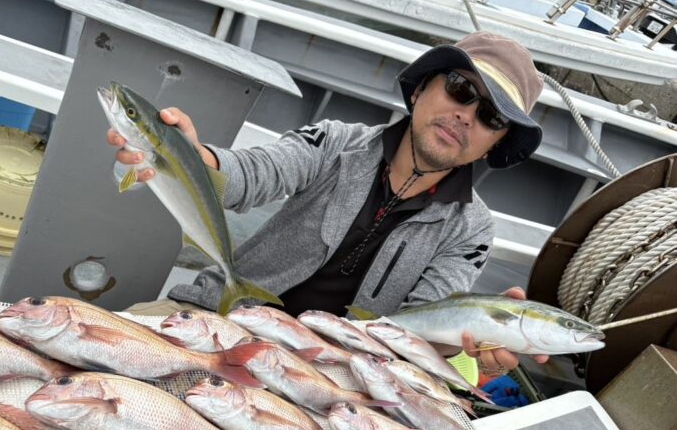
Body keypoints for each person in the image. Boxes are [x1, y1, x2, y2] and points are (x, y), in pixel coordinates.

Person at [107, 31, 548, 377]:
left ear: (496, 142)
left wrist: (470, 338)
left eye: (491, 117)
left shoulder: (470, 229)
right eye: (459, 88)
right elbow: (257, 171)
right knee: (94, 360)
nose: (466, 115)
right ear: (420, 90)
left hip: (336, 380)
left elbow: (423, 321)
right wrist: (194, 159)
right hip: (218, 320)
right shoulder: (334, 142)